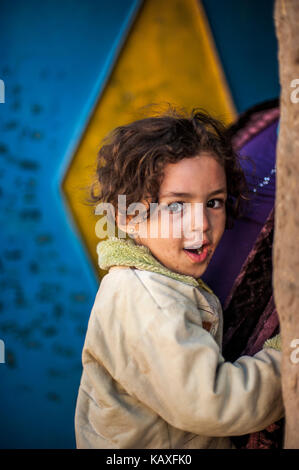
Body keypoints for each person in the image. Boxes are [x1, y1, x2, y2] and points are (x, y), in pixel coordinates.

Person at [75, 110, 283, 449]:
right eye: (176, 206)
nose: (201, 223)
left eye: (214, 202)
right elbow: (216, 404)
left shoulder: (157, 280)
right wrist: (287, 357)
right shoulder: (147, 301)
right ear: (128, 217)